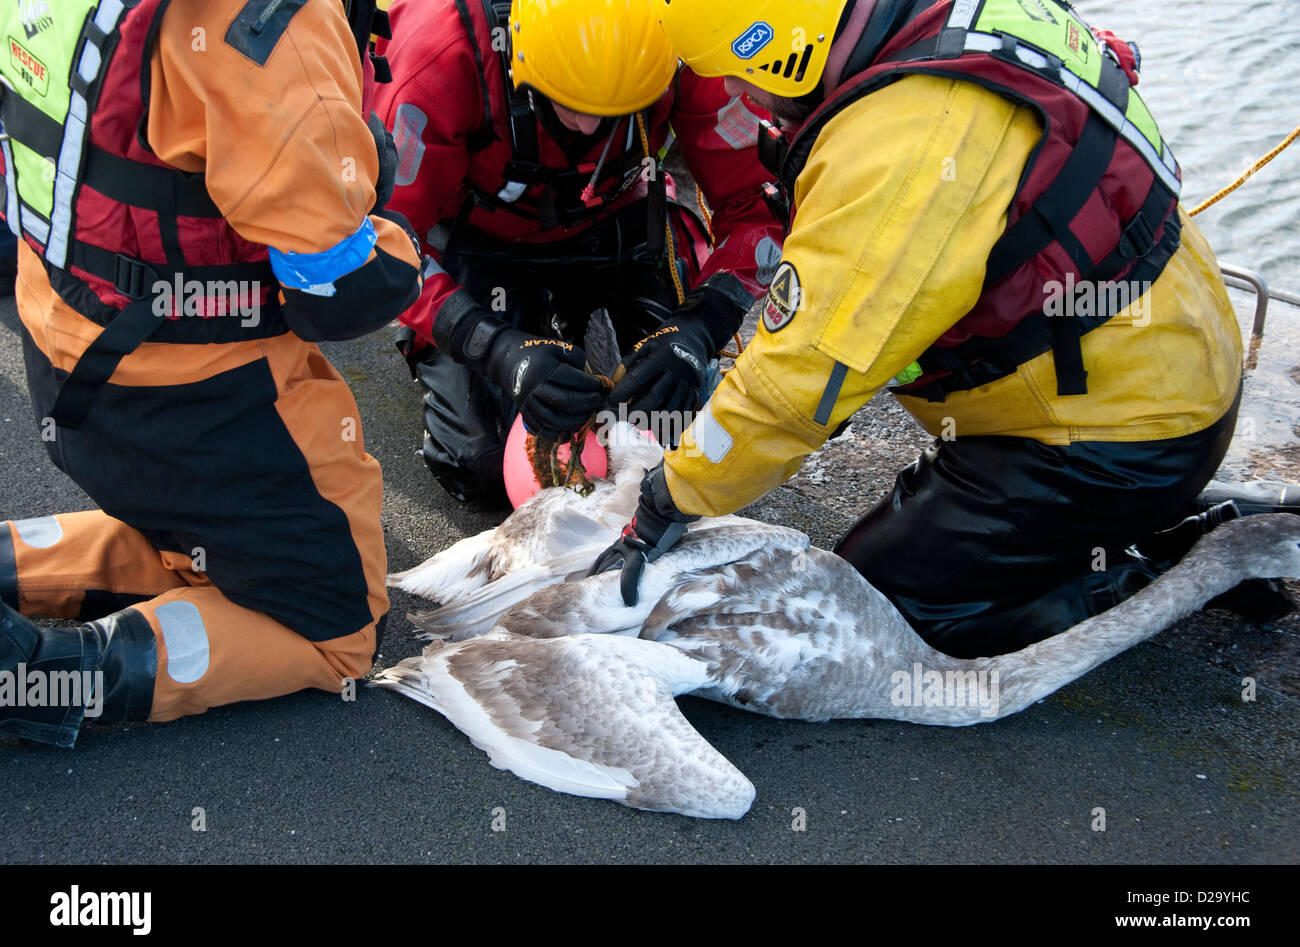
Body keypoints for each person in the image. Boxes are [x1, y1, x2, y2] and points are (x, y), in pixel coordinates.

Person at [592, 0, 1291, 656]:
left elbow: (795, 383)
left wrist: (665, 500)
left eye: (743, 77)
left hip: (1104, 436)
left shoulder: (900, 143)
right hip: (1166, 368)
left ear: (778, 53)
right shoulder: (926, 29)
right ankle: (1163, 519)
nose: (747, 100)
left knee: (871, 605)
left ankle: (1152, 581)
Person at [0, 0, 422, 747]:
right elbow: (335, 291)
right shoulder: (275, 27)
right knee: (342, 622)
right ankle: (43, 673)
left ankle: (16, 561)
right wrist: (378, 203)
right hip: (194, 398)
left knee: (205, 548)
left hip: (62, 345)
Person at [375, 0, 784, 504]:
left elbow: (757, 208)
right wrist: (493, 348)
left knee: (674, 432)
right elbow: (379, 236)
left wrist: (702, 327)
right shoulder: (437, 56)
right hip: (476, 233)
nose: (589, 128)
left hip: (615, 216)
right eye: (567, 101)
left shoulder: (692, 44)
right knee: (483, 466)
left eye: (615, 108)